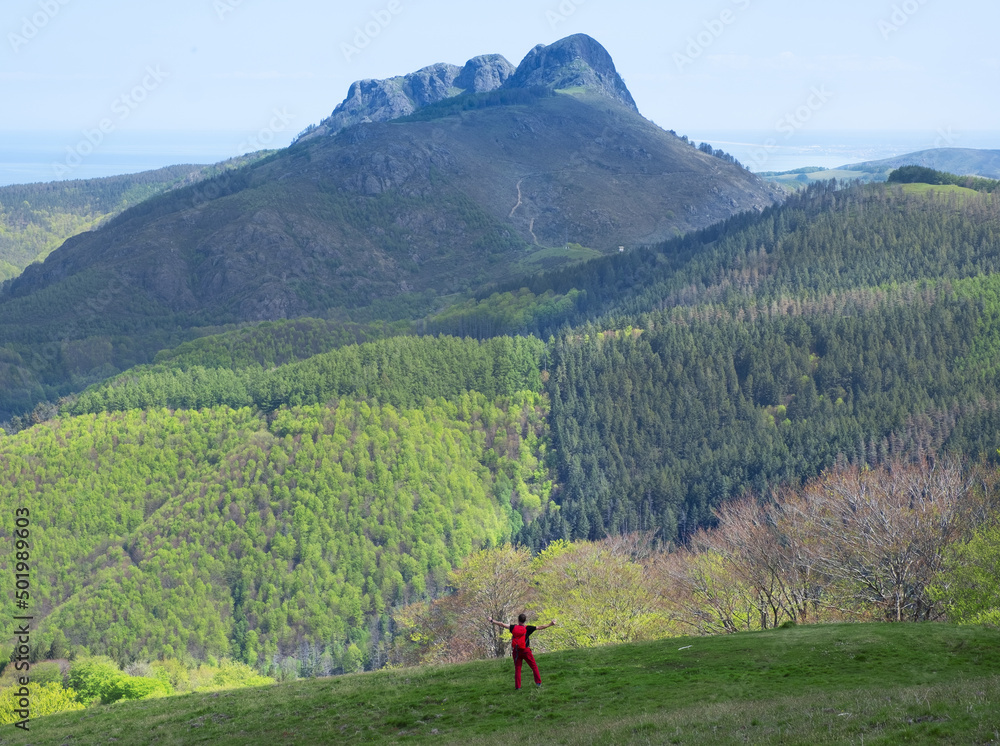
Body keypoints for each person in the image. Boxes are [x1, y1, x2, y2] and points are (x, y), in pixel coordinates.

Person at [487, 613, 556, 689]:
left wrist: (492, 620)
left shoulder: (513, 627)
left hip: (516, 651)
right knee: (534, 666)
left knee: (518, 669)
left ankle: (518, 687)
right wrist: (551, 624)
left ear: (518, 620)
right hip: (526, 651)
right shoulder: (528, 628)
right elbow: (540, 627)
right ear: (525, 620)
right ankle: (538, 683)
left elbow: (502, 624)